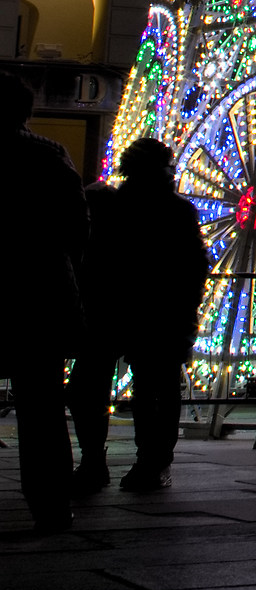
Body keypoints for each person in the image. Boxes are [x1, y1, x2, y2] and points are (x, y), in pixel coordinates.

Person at [66, 134, 208, 495]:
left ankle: (97, 460)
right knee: (154, 391)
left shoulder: (109, 203)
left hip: (112, 308)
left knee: (94, 384)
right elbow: (194, 268)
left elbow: (92, 255)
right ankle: (151, 462)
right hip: (159, 312)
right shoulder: (176, 210)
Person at [0, 70, 88, 532]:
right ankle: (51, 503)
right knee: (43, 409)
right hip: (40, 294)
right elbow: (77, 227)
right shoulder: (50, 155)